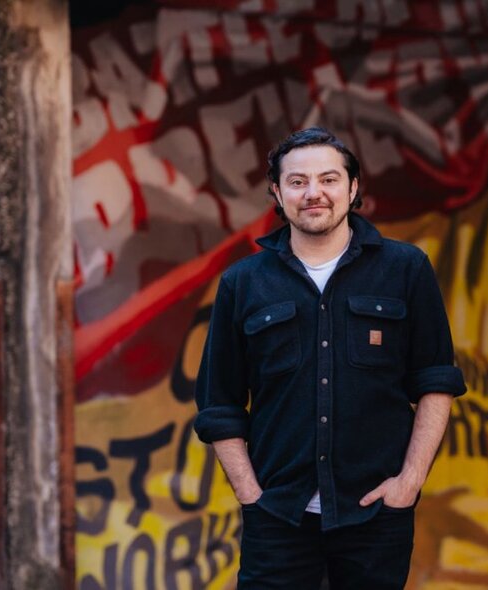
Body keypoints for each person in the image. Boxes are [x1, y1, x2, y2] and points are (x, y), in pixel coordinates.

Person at [194, 127, 466, 589]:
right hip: (278, 515)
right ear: (277, 193)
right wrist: (250, 493)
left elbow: (435, 383)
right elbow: (218, 402)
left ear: (353, 188)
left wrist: (409, 483)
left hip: (376, 512)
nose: (313, 193)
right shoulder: (243, 282)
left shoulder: (406, 269)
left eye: (329, 179)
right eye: (297, 182)